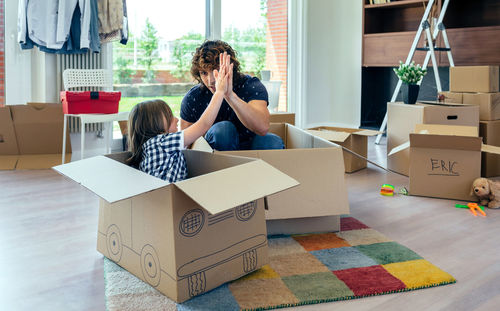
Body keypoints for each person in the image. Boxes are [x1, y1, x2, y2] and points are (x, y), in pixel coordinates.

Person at [126, 52, 232, 182]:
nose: (176, 119)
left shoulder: (149, 148)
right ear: (155, 123)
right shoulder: (161, 143)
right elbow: (203, 125)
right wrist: (220, 91)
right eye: (169, 116)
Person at [181, 40, 284, 151]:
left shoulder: (250, 85)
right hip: (216, 154)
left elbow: (263, 128)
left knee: (272, 142)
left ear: (231, 68)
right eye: (204, 73)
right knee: (224, 130)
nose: (210, 80)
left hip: (250, 148)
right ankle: (228, 168)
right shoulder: (194, 97)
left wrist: (229, 95)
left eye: (217, 71)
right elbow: (186, 145)